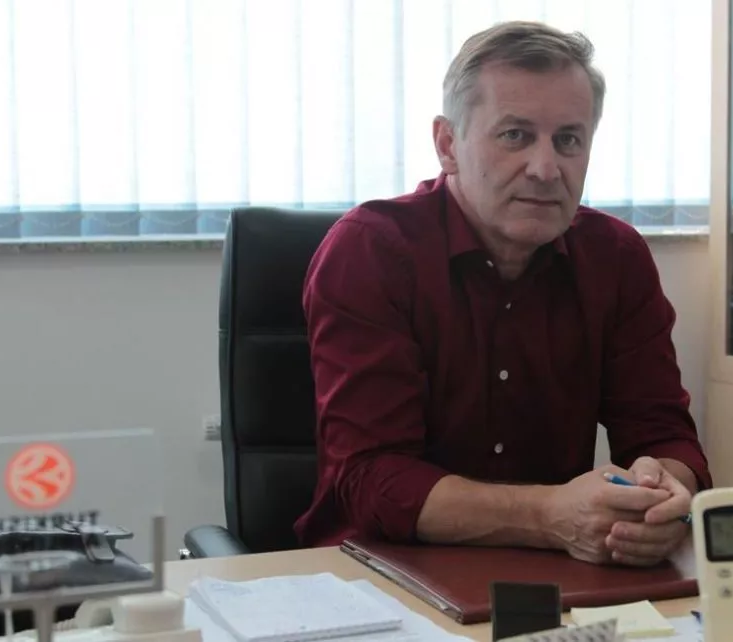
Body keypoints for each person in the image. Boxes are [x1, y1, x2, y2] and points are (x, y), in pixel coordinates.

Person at [294, 20, 711, 568]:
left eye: (568, 140)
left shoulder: (616, 256)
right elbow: (371, 478)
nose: (546, 169)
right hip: (381, 573)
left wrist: (663, 499)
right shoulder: (371, 251)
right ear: (448, 145)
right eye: (515, 135)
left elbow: (663, 434)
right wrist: (548, 515)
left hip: (562, 574)